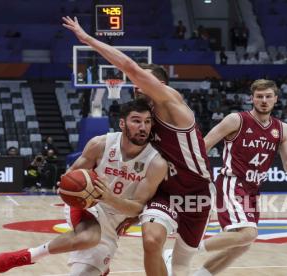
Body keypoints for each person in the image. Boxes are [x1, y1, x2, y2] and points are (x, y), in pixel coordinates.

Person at [62, 16, 214, 276]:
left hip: (196, 193)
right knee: (151, 240)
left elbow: (130, 66)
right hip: (163, 193)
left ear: (161, 87)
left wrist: (87, 40)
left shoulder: (173, 105)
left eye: (143, 82)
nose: (135, 85)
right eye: (135, 84)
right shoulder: (146, 120)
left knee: (180, 267)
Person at [0, 99, 168, 275]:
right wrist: (68, 183)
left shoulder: (156, 162)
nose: (143, 127)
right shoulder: (100, 144)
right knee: (88, 237)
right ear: (122, 123)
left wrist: (109, 197)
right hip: (88, 205)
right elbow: (72, 175)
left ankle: (100, 269)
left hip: (114, 219)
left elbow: (137, 208)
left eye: (147, 121)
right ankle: (30, 255)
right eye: (136, 121)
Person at [192, 79, 287, 275]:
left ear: (276, 99)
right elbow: (203, 146)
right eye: (259, 96)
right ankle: (182, 253)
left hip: (252, 190)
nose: (263, 100)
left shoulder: (283, 129)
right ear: (252, 99)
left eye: (268, 96)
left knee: (242, 244)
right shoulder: (236, 120)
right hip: (232, 182)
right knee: (248, 233)